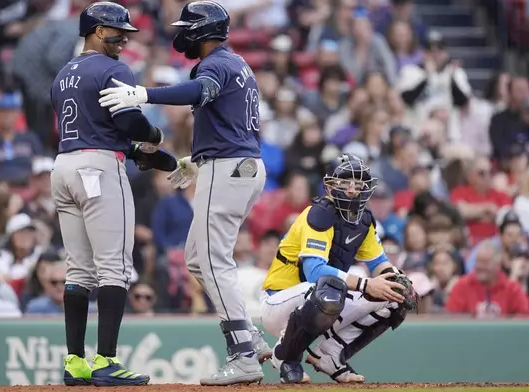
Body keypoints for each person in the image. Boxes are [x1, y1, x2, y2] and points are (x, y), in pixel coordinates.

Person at [97, 1, 271, 386]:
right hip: (232, 163)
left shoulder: (218, 64)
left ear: (204, 30)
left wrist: (145, 94)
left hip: (230, 168)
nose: (182, 34)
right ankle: (250, 336)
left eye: (188, 27)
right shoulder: (235, 63)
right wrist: (198, 160)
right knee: (197, 258)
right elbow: (229, 122)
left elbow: (199, 91)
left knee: (212, 258)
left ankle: (242, 354)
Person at [50, 1, 167, 387]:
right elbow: (129, 120)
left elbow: (94, 128)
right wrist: (153, 137)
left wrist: (139, 155)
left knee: (78, 269)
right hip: (98, 170)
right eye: (118, 32)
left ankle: (74, 362)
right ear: (97, 30)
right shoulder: (113, 68)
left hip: (64, 166)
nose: (124, 39)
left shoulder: (63, 74)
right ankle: (106, 361)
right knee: (113, 266)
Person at [259, 154, 414, 384]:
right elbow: (314, 271)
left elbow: (379, 264)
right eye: (345, 182)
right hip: (280, 301)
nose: (352, 189)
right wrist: (365, 284)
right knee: (330, 287)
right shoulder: (318, 214)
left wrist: (398, 279)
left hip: (323, 300)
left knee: (396, 295)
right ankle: (286, 357)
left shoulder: (364, 220)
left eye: (358, 184)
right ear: (331, 186)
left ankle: (330, 355)